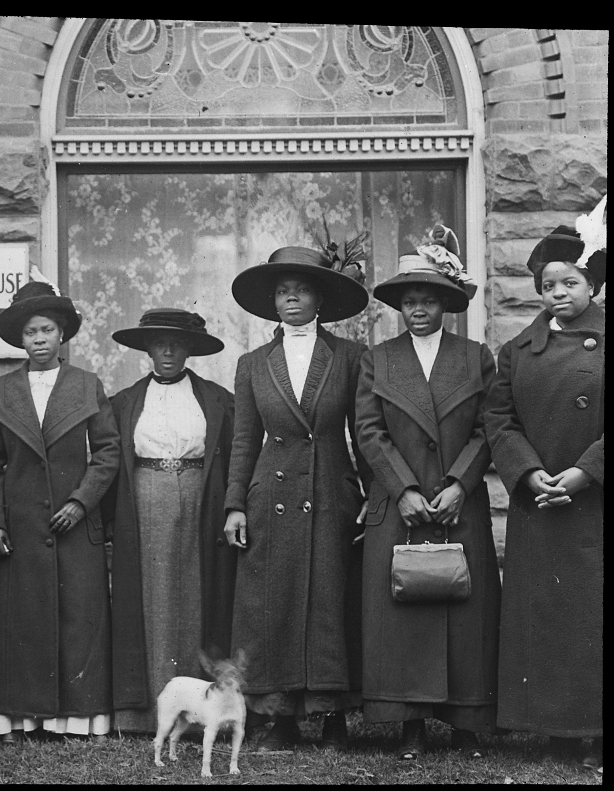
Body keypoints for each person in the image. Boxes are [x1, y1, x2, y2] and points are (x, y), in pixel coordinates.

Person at [355, 227, 500, 760]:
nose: (418, 309)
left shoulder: (475, 356)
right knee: (404, 616)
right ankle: (409, 723)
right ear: (399, 307)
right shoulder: (379, 359)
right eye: (410, 301)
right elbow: (368, 432)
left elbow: (490, 428)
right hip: (402, 505)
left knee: (465, 614)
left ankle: (466, 722)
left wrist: (462, 483)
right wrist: (406, 490)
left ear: (447, 304)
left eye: (429, 299)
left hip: (459, 503)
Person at [224, 245, 372, 752]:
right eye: (284, 291)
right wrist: (235, 504)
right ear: (273, 301)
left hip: (331, 491)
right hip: (272, 496)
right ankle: (281, 719)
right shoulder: (252, 363)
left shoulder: (350, 357)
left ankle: (334, 718)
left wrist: (372, 497)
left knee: (331, 601)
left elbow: (365, 434)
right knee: (274, 606)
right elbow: (244, 440)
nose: (292, 298)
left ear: (320, 300)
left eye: (302, 290)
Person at [0, 281, 121, 744]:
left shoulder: (85, 385)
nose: (39, 339)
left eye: (48, 330)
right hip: (20, 528)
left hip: (74, 525)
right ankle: (21, 718)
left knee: (78, 619)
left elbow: (107, 452)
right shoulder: (2, 389)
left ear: (63, 336)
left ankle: (76, 719)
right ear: (20, 339)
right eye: (31, 332)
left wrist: (81, 501)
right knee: (21, 621)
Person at [485, 220, 605, 770]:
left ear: (593, 286)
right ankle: (558, 729)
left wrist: (585, 473)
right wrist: (528, 472)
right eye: (549, 285)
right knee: (549, 615)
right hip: (538, 503)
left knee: (593, 615)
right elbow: (498, 418)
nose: (559, 293)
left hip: (594, 502)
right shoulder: (517, 351)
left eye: (571, 283)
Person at [104, 308, 236, 733]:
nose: (168, 352)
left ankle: (199, 712)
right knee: (152, 596)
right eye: (159, 343)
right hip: (146, 492)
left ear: (190, 350)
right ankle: (147, 711)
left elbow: (235, 457)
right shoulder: (123, 403)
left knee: (196, 593)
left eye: (177, 344)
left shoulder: (217, 400)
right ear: (146, 348)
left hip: (202, 494)